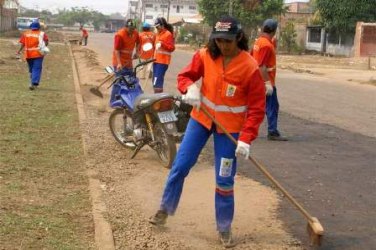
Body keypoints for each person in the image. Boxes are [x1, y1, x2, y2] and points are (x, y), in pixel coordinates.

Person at [149, 16, 266, 248]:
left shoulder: (250, 67)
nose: (223, 45)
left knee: (224, 179)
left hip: (229, 131)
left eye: (228, 41)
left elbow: (256, 108)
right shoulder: (204, 55)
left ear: (239, 38)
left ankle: (224, 227)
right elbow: (185, 76)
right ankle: (164, 209)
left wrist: (246, 139)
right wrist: (190, 87)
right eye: (219, 40)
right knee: (180, 166)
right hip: (201, 120)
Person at [251, 19, 288, 141]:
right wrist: (267, 84)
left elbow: (252, 56)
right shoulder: (266, 45)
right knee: (272, 107)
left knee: (259, 106)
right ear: (274, 30)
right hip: (266, 82)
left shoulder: (259, 42)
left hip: (257, 80)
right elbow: (262, 66)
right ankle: (272, 132)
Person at [16, 20, 49, 90]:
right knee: (36, 68)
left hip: (28, 54)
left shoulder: (26, 33)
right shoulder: (42, 34)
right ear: (39, 27)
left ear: (31, 27)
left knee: (31, 69)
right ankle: (34, 82)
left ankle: (33, 82)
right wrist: (44, 47)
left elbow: (23, 43)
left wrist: (19, 51)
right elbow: (46, 41)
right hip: (38, 54)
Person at [152, 17, 175, 93]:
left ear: (162, 25)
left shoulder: (168, 34)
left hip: (163, 62)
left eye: (158, 26)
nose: (157, 28)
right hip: (156, 61)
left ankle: (158, 101)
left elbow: (172, 48)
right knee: (154, 81)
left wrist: (162, 44)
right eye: (156, 27)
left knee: (158, 82)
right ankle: (156, 98)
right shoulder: (157, 34)